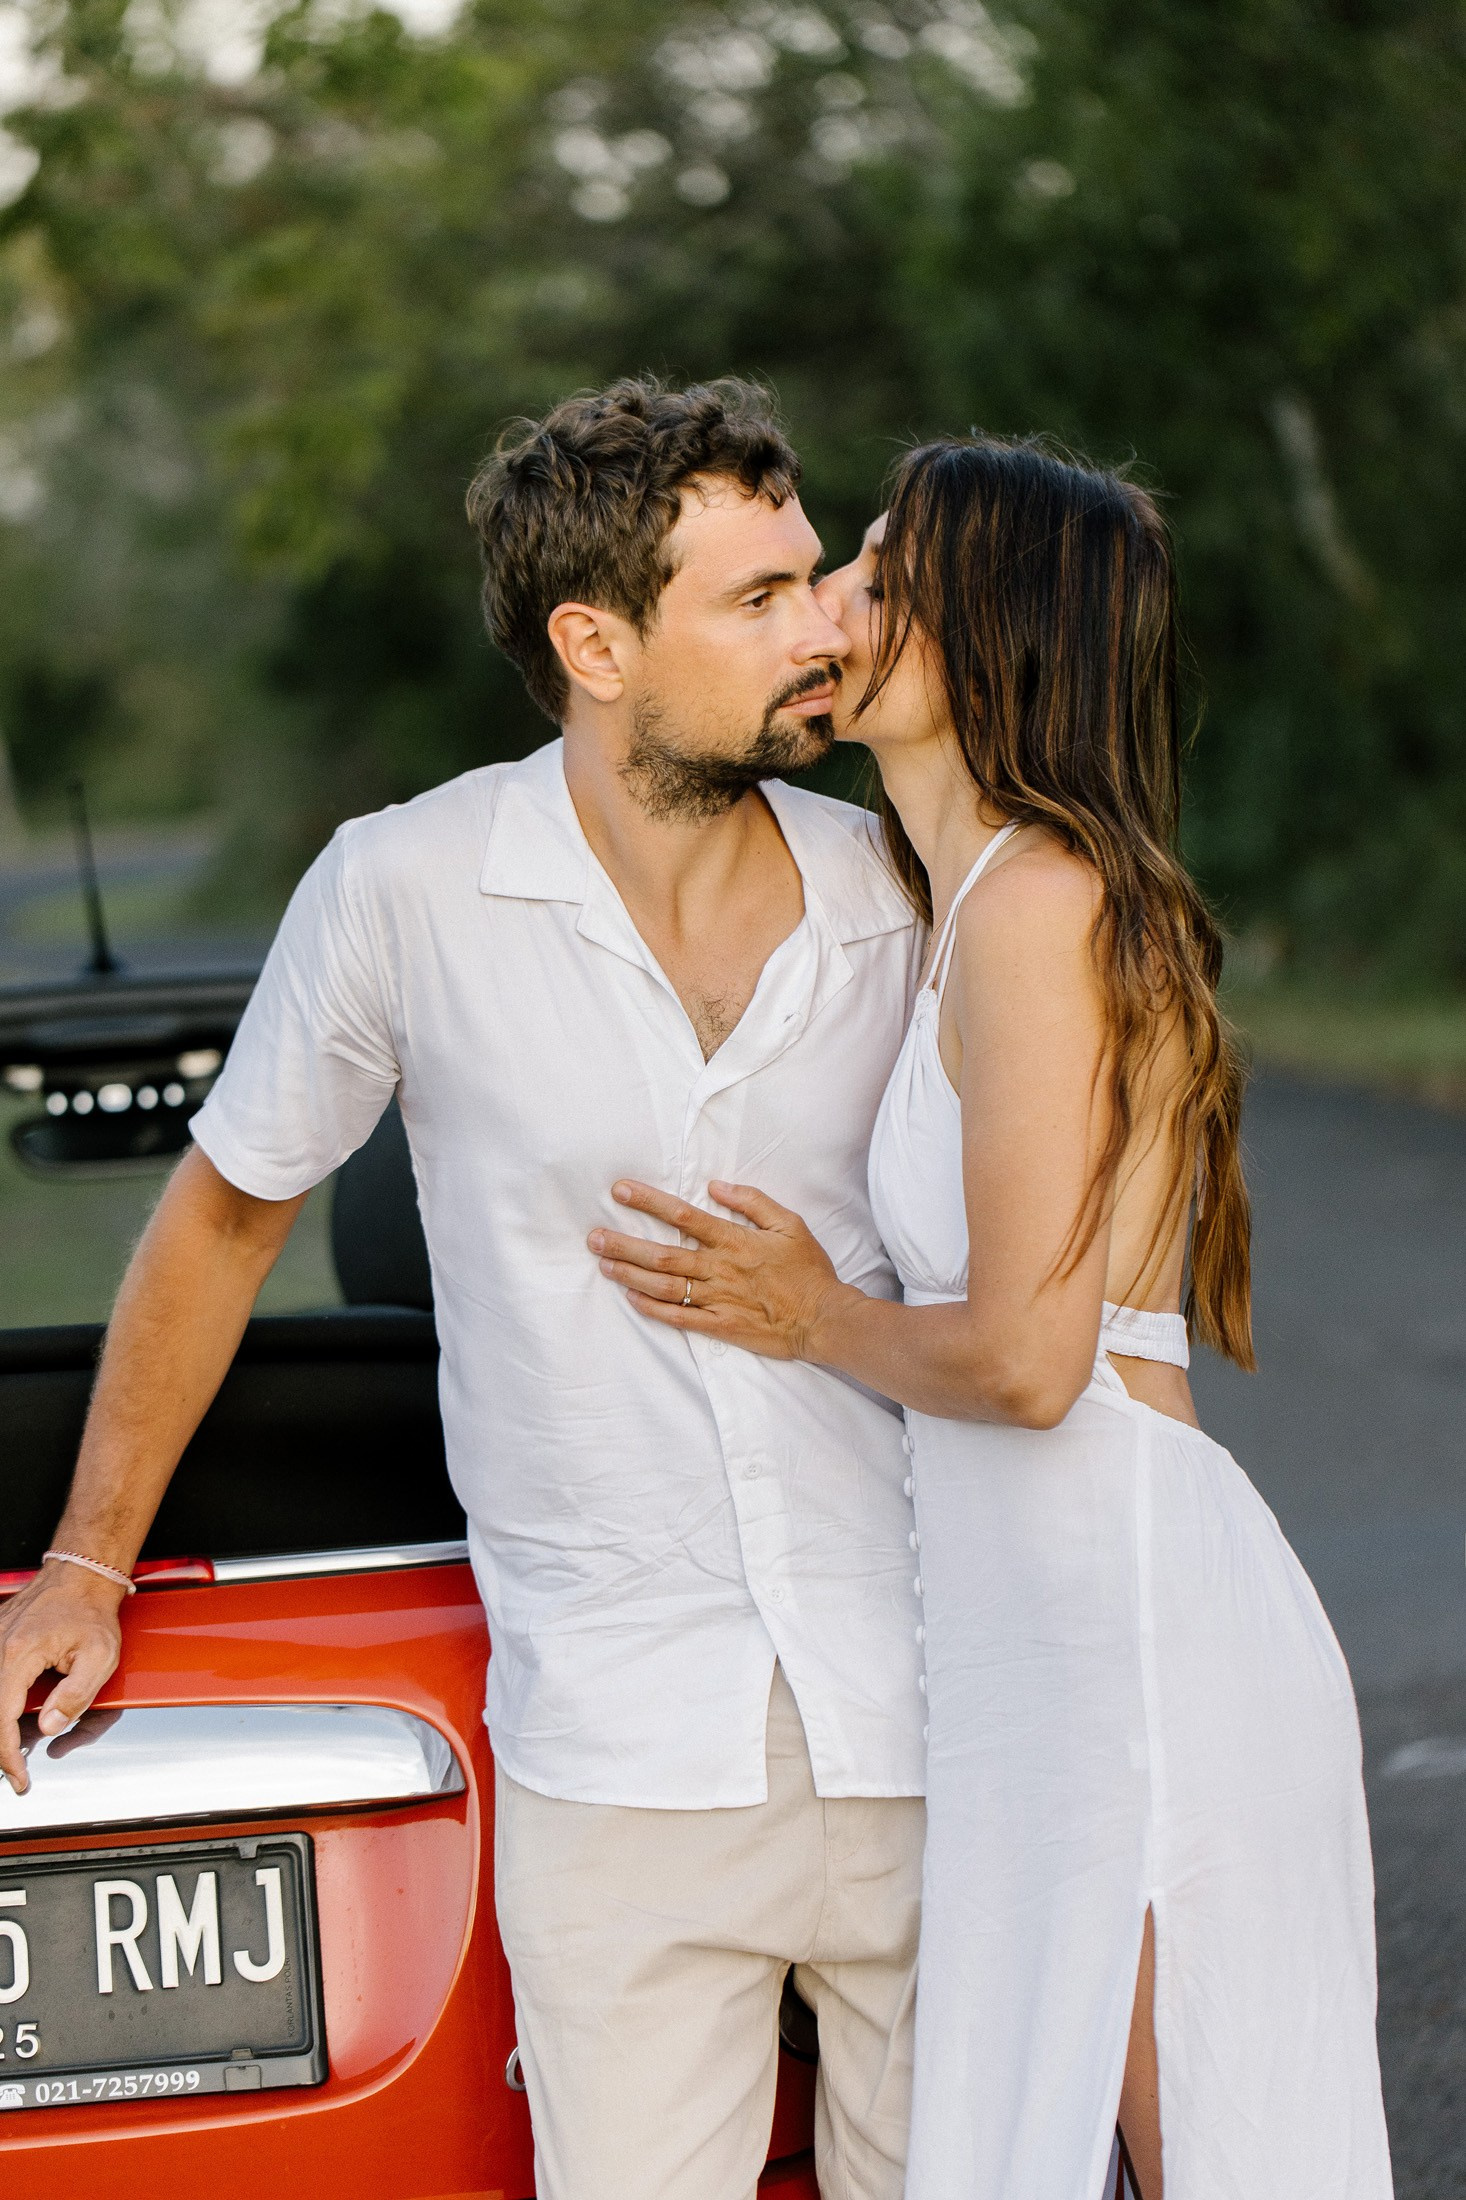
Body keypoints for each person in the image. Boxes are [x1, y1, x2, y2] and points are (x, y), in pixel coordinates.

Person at [0, 378, 929, 2200]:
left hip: (926, 1707)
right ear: (596, 645)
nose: (819, 631)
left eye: (810, 579)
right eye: (758, 598)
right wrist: (88, 1566)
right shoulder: (404, 887)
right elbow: (222, 1220)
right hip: (619, 1753)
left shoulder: (897, 878)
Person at [589, 436, 1396, 2198]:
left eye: (879, 578)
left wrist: (807, 1316)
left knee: (1211, 2161)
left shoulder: (1039, 903)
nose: (829, 603)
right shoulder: (968, 905)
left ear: (987, 632)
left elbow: (1031, 1363)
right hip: (1043, 1618)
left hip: (1122, 1615)